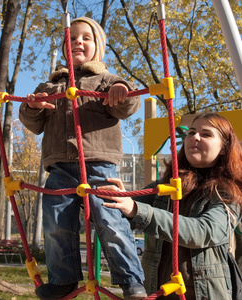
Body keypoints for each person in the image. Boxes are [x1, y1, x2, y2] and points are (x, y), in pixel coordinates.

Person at [19, 17, 147, 300]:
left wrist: (121, 92)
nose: (78, 42)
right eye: (71, 39)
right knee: (56, 223)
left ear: (97, 47)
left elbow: (128, 105)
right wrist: (32, 106)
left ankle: (131, 280)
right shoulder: (51, 86)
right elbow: (34, 123)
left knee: (111, 220)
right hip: (60, 166)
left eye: (86, 38)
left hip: (99, 164)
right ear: (65, 48)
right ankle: (63, 279)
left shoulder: (107, 80)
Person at [98, 112, 242, 299]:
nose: (195, 137)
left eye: (206, 134)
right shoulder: (168, 185)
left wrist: (136, 209)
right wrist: (103, 199)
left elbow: (204, 232)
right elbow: (125, 211)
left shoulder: (229, 192)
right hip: (157, 292)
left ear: (223, 148)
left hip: (202, 294)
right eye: (191, 132)